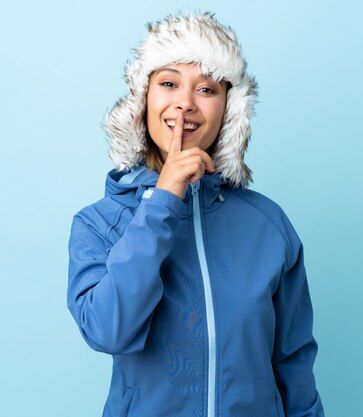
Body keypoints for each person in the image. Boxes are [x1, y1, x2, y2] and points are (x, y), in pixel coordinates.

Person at [67, 11, 325, 417]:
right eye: (168, 83)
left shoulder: (268, 225)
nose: (184, 103)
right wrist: (163, 199)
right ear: (142, 100)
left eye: (206, 88)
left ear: (229, 110)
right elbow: (108, 329)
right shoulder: (99, 224)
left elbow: (293, 361)